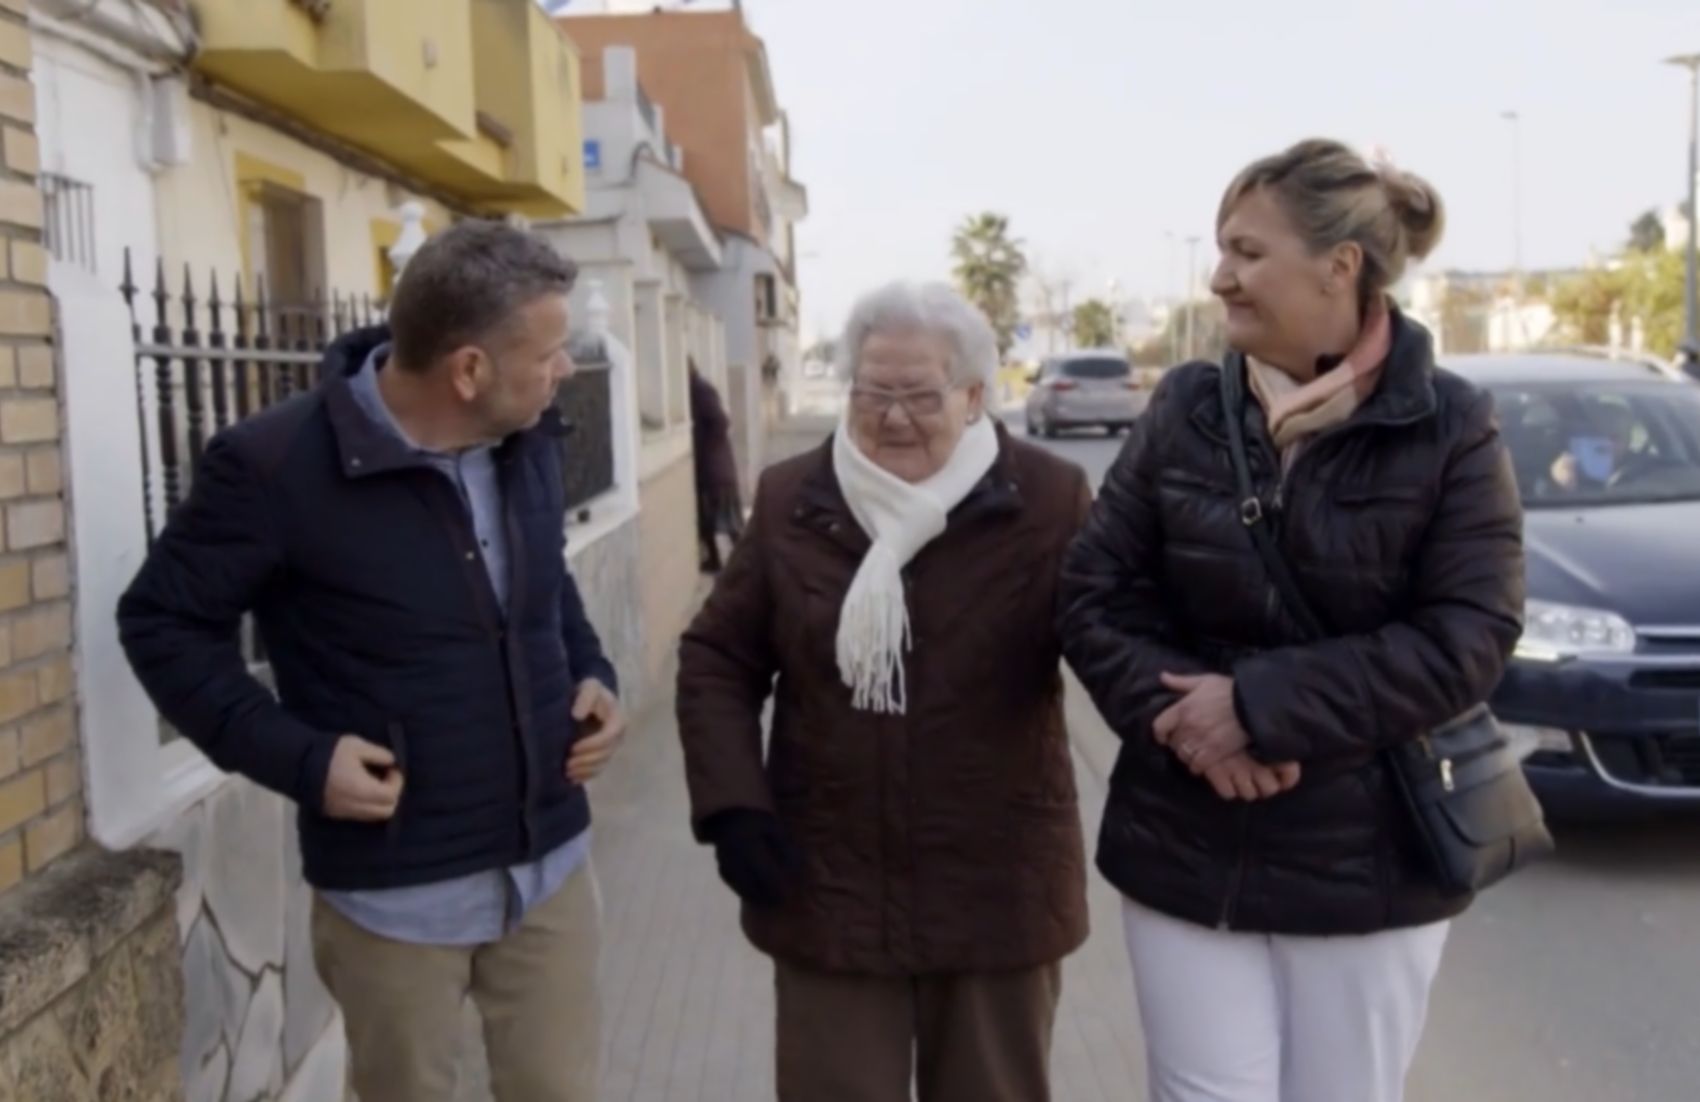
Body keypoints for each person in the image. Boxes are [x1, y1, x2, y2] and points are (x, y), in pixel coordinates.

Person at [1058, 139, 1526, 1102]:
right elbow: (1095, 591)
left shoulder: (1451, 424)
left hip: (1373, 859)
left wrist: (1259, 707)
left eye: (1245, 250)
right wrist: (1190, 724)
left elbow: (1468, 637)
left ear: (1339, 266)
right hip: (1185, 842)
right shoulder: (1185, 407)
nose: (1219, 275)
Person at [117, 220, 625, 1102]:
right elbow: (161, 623)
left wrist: (596, 680)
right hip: (398, 896)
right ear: (467, 369)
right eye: (547, 352)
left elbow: (547, 593)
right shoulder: (271, 466)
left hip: (549, 868)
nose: (565, 370)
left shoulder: (528, 440)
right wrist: (303, 761)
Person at [677, 281, 1091, 1102]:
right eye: (873, 394)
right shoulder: (796, 497)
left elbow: (1115, 642)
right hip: (828, 884)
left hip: (994, 888)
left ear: (974, 396)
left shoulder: (1046, 499)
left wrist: (1195, 722)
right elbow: (718, 656)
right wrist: (733, 806)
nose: (893, 417)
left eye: (920, 395)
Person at [688, 358, 744, 572]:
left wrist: (706, 448)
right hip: (712, 468)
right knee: (708, 520)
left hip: (717, 470)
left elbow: (721, 421)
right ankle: (714, 560)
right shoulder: (694, 389)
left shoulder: (701, 390)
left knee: (729, 523)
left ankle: (753, 561)